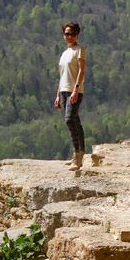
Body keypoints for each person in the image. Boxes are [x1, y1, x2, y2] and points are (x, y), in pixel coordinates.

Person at [54, 21, 87, 170]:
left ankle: (77, 156)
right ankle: (80, 153)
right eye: (67, 34)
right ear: (63, 35)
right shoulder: (64, 54)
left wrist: (76, 89)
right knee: (75, 121)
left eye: (73, 34)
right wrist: (58, 95)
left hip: (75, 91)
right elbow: (62, 76)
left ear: (77, 35)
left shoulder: (79, 50)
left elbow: (81, 71)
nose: (70, 36)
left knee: (69, 120)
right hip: (64, 91)